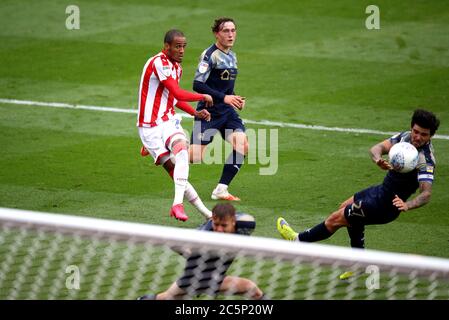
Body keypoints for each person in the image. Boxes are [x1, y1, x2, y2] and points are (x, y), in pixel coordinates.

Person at [277, 109, 440, 278]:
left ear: (430, 136)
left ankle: (296, 241)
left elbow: (426, 193)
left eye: (424, 134)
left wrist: (408, 204)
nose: (418, 137)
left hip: (385, 207)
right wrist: (377, 159)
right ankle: (359, 262)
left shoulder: (425, 160)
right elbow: (377, 148)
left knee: (336, 219)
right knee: (345, 207)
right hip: (380, 191)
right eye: (416, 131)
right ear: (411, 128)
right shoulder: (404, 138)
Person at [137, 29, 214, 222]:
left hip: (168, 121)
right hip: (150, 128)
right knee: (175, 172)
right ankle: (206, 213)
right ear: (166, 47)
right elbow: (178, 93)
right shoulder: (158, 62)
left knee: (181, 152)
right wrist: (202, 96)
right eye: (177, 46)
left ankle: (179, 205)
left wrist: (195, 112)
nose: (181, 50)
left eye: (184, 46)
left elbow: (173, 99)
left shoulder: (176, 68)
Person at [138, 203, 265, 300]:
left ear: (233, 221)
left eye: (224, 225)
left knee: (165, 297)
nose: (219, 229)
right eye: (216, 224)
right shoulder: (203, 236)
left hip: (205, 273)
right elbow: (177, 244)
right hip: (200, 274)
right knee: (250, 288)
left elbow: (247, 219)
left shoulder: (246, 223)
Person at [189, 17, 248, 201]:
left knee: (242, 144)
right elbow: (197, 85)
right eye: (226, 31)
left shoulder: (232, 56)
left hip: (227, 112)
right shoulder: (210, 55)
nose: (230, 34)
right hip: (209, 112)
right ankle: (165, 145)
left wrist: (235, 98)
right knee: (195, 157)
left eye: (233, 30)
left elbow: (226, 88)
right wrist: (225, 97)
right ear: (217, 34)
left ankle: (221, 189)